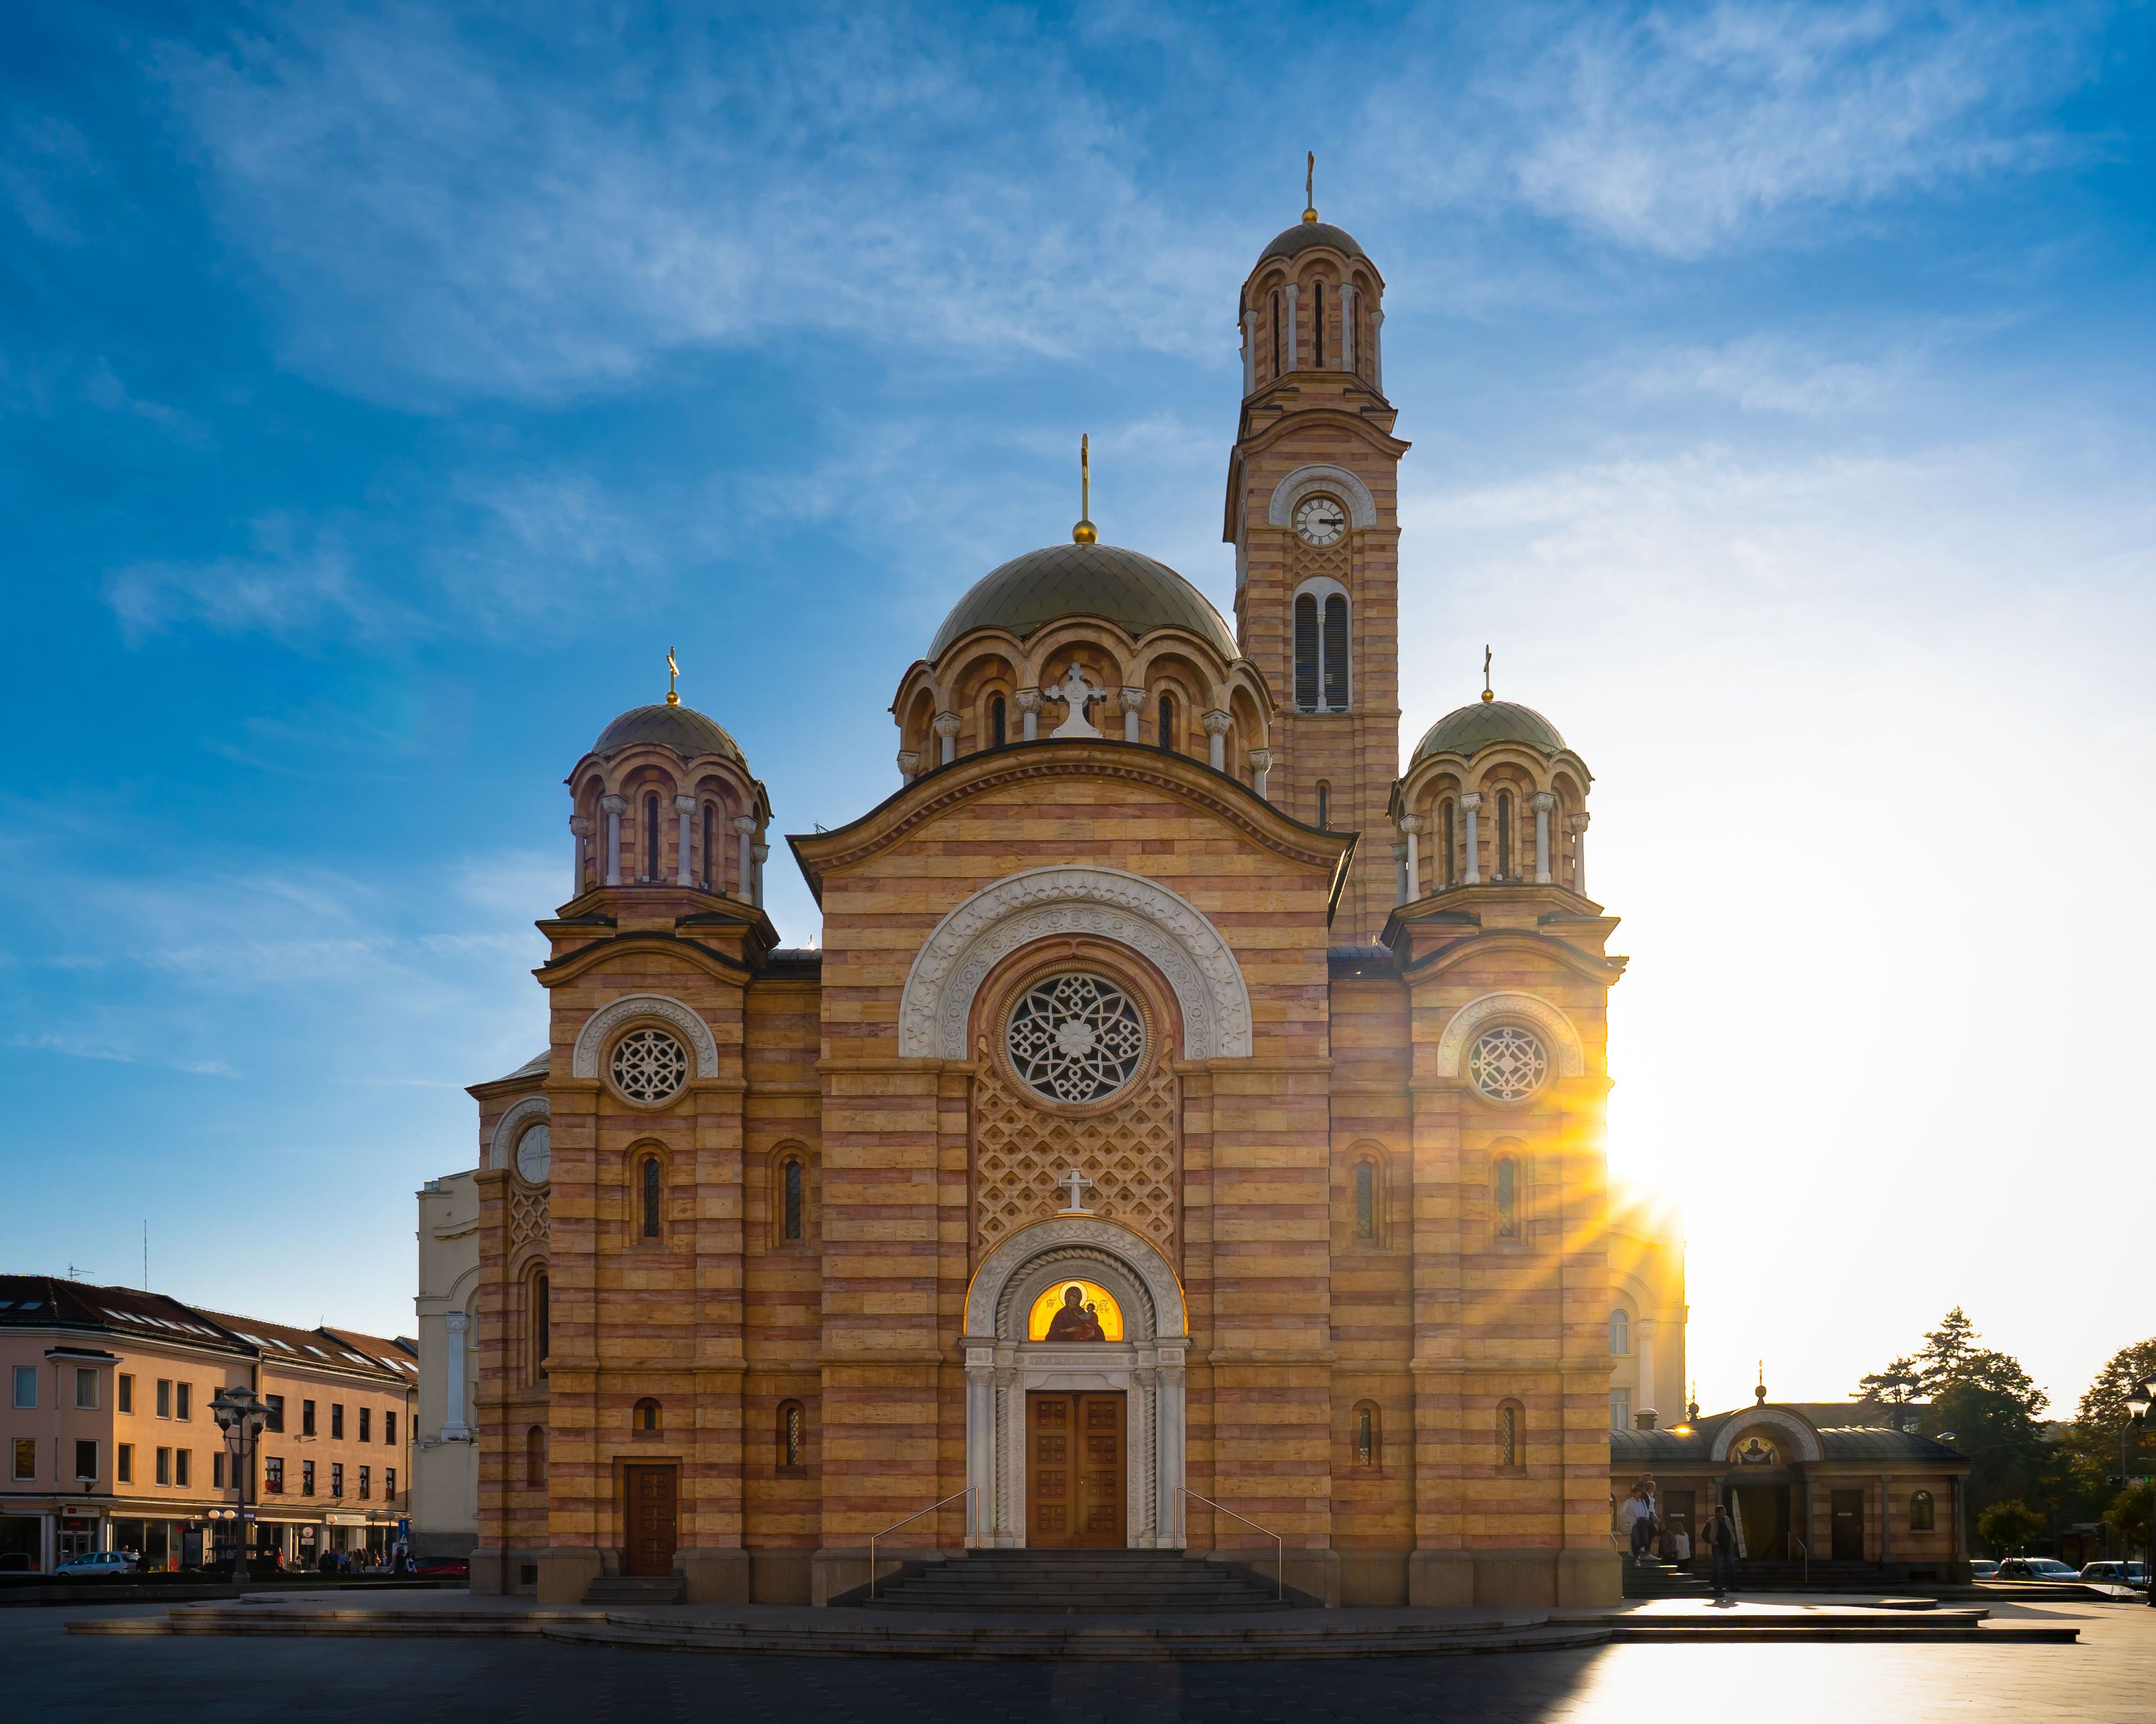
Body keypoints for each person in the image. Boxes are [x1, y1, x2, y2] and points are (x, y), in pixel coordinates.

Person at [1617, 1482, 1656, 1566]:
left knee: (1645, 1540)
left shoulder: (1642, 1502)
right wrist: (1631, 1519)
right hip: (1635, 1523)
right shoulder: (1629, 1502)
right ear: (1633, 1493)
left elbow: (1646, 1511)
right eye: (1637, 1492)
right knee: (1636, 1540)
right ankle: (1636, 1559)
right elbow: (1622, 1513)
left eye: (1640, 1492)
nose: (1639, 1494)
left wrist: (1646, 1518)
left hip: (1643, 1522)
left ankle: (1634, 1551)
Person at [1707, 1503, 1738, 1603]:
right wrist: (1712, 1541)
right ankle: (1717, 1584)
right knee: (1718, 1565)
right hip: (1717, 1547)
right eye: (1723, 1511)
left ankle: (1733, 1586)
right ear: (1717, 1512)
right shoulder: (1711, 1521)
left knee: (1731, 1565)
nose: (1725, 1513)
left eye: (1725, 1511)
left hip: (1727, 1546)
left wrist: (1733, 1540)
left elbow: (1732, 1530)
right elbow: (1704, 1534)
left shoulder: (1727, 1519)